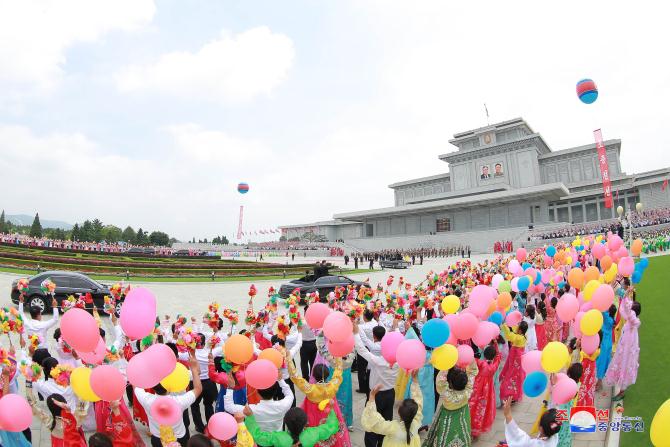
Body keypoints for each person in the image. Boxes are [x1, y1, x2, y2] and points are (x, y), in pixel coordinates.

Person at [135, 351, 202, 447]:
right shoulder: (179, 402)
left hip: (157, 439)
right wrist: (194, 368)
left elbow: (136, 386)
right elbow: (198, 389)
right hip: (179, 438)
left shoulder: (147, 400)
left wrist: (141, 372)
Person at [287, 352, 351, 447]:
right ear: (328, 374)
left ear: (314, 376)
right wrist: (338, 355)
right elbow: (339, 370)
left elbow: (296, 377)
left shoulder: (310, 389)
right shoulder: (333, 386)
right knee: (332, 429)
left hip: (313, 417)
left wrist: (288, 359)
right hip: (330, 414)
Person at [354, 324, 399, 447]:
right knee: (386, 421)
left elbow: (361, 349)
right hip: (390, 394)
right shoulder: (398, 362)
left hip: (376, 395)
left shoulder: (378, 361)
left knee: (371, 421)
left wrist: (356, 333)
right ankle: (382, 443)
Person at [423, 362, 478, 447]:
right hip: (463, 415)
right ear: (466, 382)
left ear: (450, 383)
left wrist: (447, 364)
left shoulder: (447, 394)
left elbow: (440, 381)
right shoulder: (468, 391)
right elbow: (473, 372)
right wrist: (469, 358)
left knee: (444, 435)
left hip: (447, 416)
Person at [361, 376, 422, 447]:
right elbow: (418, 402)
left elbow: (375, 423)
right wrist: (415, 380)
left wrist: (372, 398)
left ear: (399, 412)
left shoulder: (393, 428)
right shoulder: (416, 422)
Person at [224, 371, 293, 432]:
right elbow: (290, 395)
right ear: (275, 391)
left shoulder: (251, 409)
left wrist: (230, 388)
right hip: (277, 440)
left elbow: (228, 407)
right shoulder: (283, 405)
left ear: (257, 393)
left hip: (259, 441)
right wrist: (280, 380)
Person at [245, 407, 339, 447]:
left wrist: (250, 417)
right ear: (306, 423)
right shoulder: (313, 433)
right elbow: (332, 427)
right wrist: (331, 410)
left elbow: (258, 436)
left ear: (285, 423)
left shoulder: (279, 437)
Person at [605, 296, 641, 400]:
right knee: (621, 364)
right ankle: (621, 388)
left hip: (627, 350)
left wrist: (626, 299)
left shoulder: (634, 322)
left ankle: (621, 392)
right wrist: (626, 296)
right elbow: (623, 309)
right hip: (624, 347)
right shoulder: (630, 321)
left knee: (625, 365)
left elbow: (628, 313)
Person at [469, 344, 501, 438]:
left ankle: (471, 425)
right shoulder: (494, 366)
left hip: (478, 387)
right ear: (493, 356)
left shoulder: (481, 363)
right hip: (488, 390)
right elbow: (499, 357)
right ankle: (478, 427)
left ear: (485, 355)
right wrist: (495, 345)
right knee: (483, 407)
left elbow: (473, 360)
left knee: (474, 404)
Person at [499, 321, 528, 403]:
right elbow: (514, 332)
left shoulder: (518, 337)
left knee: (511, 375)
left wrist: (504, 325)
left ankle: (510, 394)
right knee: (517, 375)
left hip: (514, 357)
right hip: (518, 358)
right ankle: (515, 394)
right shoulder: (524, 336)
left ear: (520, 330)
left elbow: (509, 335)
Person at [596, 305, 616, 389]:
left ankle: (599, 382)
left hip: (604, 342)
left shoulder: (607, 318)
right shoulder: (612, 320)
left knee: (601, 361)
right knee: (604, 362)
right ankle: (599, 382)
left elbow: (602, 310)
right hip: (608, 342)